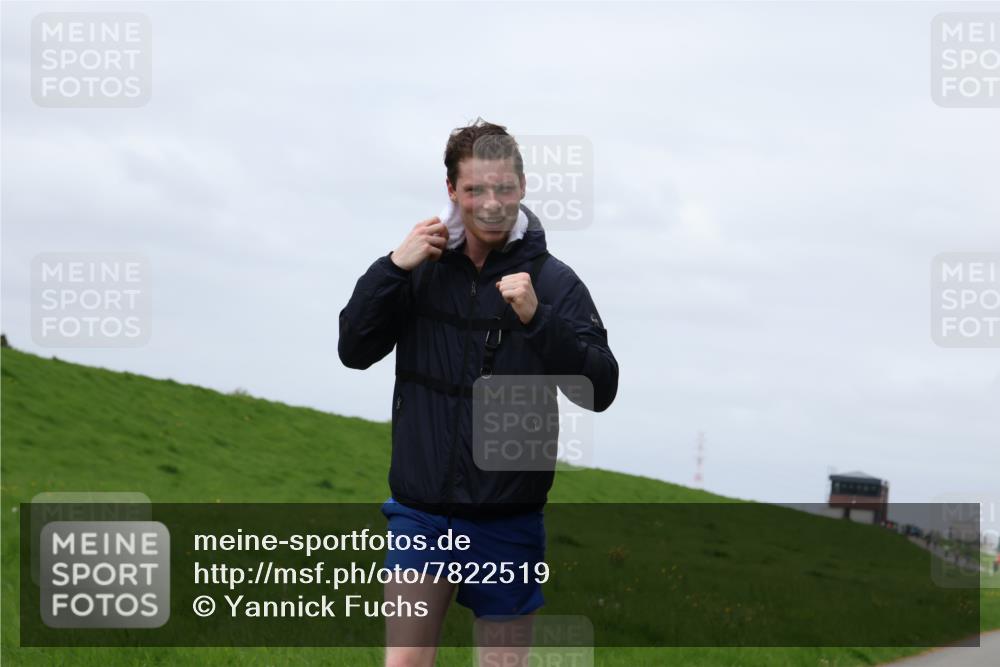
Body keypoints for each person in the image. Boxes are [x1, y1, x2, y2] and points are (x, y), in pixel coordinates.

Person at [338, 119, 619, 667]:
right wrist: (393, 268)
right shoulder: (419, 269)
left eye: (504, 189)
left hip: (508, 521)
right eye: (474, 190)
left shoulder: (556, 283)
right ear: (451, 191)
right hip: (421, 515)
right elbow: (354, 348)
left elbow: (600, 387)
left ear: (522, 186)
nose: (491, 204)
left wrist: (539, 320)